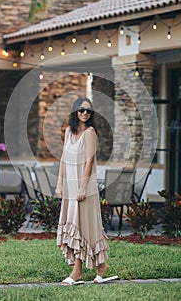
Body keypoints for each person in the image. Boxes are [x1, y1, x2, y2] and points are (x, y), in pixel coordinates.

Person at [56, 97, 117, 285]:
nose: (85, 113)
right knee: (75, 225)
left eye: (88, 111)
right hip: (70, 186)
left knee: (83, 226)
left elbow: (89, 161)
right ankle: (101, 267)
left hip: (84, 187)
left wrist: (82, 187)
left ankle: (77, 272)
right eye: (81, 110)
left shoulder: (90, 133)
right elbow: (64, 160)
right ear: (75, 111)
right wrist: (60, 184)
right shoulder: (68, 131)